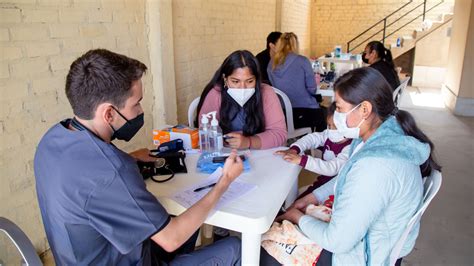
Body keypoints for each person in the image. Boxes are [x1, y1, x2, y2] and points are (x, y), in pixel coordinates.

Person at [34, 49, 243, 265]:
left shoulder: (52, 138)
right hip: (128, 258)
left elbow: (89, 177)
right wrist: (224, 181)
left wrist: (131, 158)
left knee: (188, 225)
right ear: (109, 114)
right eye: (136, 104)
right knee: (235, 248)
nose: (140, 110)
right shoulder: (114, 172)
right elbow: (171, 239)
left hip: (81, 256)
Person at [273, 67, 441, 265]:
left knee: (266, 251)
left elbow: (336, 241)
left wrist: (298, 217)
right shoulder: (382, 136)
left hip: (363, 255)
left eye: (339, 108)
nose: (335, 115)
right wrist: (312, 197)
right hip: (370, 239)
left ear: (364, 109)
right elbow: (346, 175)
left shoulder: (376, 166)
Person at [196, 50, 287, 150]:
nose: (242, 88)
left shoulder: (266, 93)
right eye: (235, 81)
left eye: (250, 81)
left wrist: (249, 142)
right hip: (225, 154)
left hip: (260, 152)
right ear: (225, 79)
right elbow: (206, 134)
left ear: (257, 80)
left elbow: (279, 134)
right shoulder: (216, 94)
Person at [274, 102, 352, 199]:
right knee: (297, 201)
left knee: (297, 204)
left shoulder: (351, 147)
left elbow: (332, 168)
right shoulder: (329, 134)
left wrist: (302, 160)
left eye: (336, 127)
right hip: (322, 183)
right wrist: (295, 148)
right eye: (329, 125)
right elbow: (312, 138)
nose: (331, 130)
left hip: (337, 190)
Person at [268, 32, 326, 132]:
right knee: (325, 114)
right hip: (305, 111)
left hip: (282, 114)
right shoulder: (302, 61)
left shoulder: (271, 63)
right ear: (295, 44)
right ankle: (318, 145)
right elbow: (312, 89)